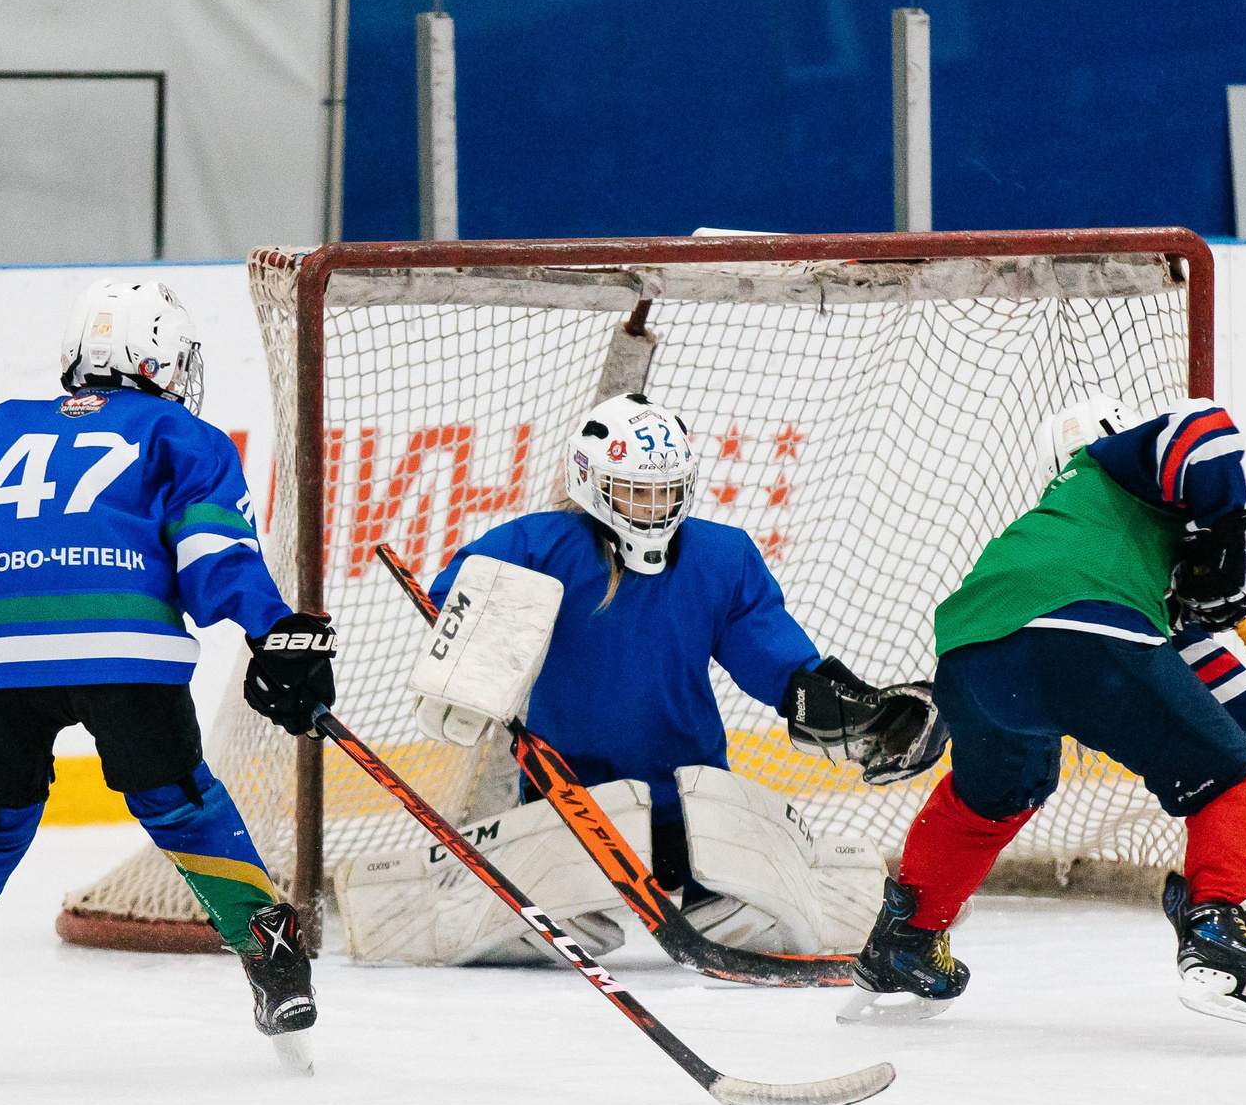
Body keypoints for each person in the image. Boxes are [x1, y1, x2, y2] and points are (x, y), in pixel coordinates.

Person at [0, 279, 337, 1074]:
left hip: (2, 661)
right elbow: (213, 554)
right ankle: (266, 941)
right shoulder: (183, 433)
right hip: (129, 654)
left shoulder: (2, 427)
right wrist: (272, 629)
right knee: (178, 802)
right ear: (157, 357)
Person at [846, 396, 1246, 1036]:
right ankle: (1217, 926)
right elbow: (1206, 428)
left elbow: (1197, 671)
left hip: (972, 656)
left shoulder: (1068, 529)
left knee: (995, 797)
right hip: (1085, 638)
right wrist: (1225, 528)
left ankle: (903, 943)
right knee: (1235, 783)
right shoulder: (1127, 466)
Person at [345, 392, 921, 964]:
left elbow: (768, 650)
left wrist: (835, 704)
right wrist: (470, 664)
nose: (655, 507)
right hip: (571, 805)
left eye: (668, 489)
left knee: (753, 920)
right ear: (591, 481)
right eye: (637, 490)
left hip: (691, 819)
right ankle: (490, 905)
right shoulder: (538, 547)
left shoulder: (720, 556)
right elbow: (456, 594)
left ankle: (830, 892)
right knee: (556, 935)